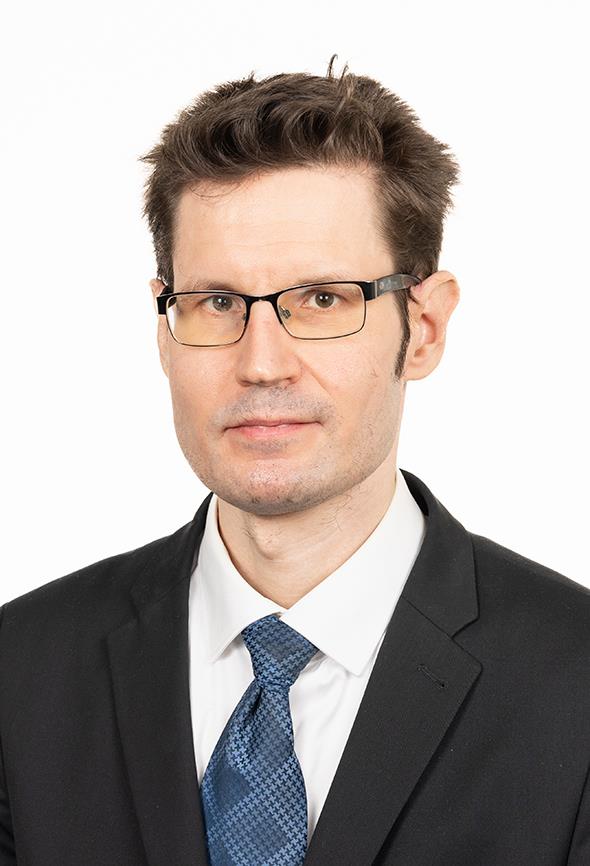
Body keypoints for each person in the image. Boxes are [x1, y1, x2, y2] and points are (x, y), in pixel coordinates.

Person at [0, 57, 589, 866]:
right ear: (164, 329)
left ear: (423, 328)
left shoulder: (575, 682)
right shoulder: (20, 670)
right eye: (216, 303)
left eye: (321, 300)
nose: (262, 364)